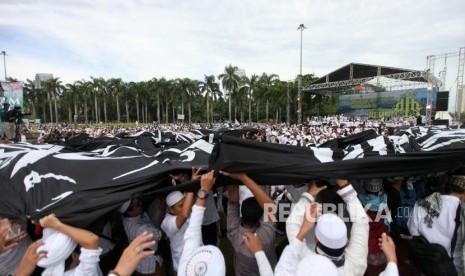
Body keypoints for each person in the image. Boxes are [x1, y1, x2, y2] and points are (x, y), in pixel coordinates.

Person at [286, 178, 370, 276]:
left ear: (315, 239)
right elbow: (361, 221)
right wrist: (345, 187)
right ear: (346, 241)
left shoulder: (306, 260)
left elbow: (291, 225)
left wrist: (308, 196)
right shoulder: (356, 265)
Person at [221, 171, 278, 276]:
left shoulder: (233, 232)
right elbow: (271, 208)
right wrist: (243, 178)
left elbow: (233, 201)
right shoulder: (266, 236)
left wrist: (230, 175)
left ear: (241, 212)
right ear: (261, 217)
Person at [408, 174, 465, 274]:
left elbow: (413, 230)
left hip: (424, 266)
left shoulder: (422, 203)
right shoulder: (461, 210)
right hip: (451, 269)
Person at [16, 214, 102, 276]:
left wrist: (44, 223)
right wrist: (56, 225)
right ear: (75, 256)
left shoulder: (50, 266)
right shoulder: (83, 273)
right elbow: (92, 240)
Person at [177, 170, 225, 276]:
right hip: (206, 221)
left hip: (207, 221)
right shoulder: (269, 230)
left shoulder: (184, 267)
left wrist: (203, 188)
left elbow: (193, 232)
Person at [160, 168, 199, 273]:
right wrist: (190, 188)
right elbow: (184, 215)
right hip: (184, 264)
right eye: (180, 206)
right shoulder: (167, 223)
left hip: (198, 256)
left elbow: (192, 196)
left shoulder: (184, 208)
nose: (185, 206)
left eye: (184, 203)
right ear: (171, 209)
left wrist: (186, 180)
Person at [121, 197, 163, 276]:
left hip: (138, 260)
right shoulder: (140, 228)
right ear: (129, 212)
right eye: (137, 205)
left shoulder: (128, 219)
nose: (140, 204)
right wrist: (163, 211)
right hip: (149, 264)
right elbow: (163, 234)